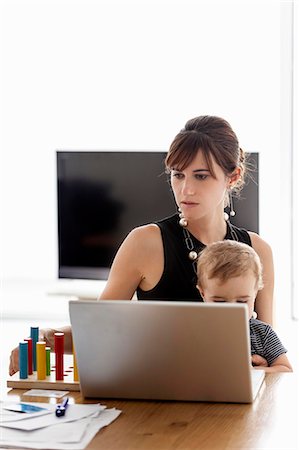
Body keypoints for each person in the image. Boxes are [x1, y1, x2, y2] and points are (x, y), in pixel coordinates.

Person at [9, 115, 274, 375]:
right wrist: (42, 338)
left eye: (201, 176)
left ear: (233, 177)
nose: (186, 189)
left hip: (233, 402)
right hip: (157, 399)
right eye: (178, 175)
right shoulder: (144, 243)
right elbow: (96, 331)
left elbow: (270, 349)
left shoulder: (258, 250)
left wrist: (262, 364)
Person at [196, 240, 292, 372]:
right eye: (220, 302)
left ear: (255, 293)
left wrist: (255, 372)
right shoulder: (194, 332)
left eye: (241, 302)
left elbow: (285, 368)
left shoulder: (262, 333)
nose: (231, 310)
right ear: (203, 293)